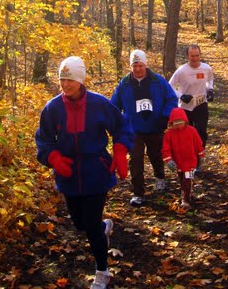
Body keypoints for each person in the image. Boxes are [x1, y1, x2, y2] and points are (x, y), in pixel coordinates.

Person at [35, 56, 133, 289]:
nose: (65, 84)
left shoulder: (99, 104)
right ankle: (103, 227)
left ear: (80, 80)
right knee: (80, 224)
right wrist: (52, 157)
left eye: (70, 79)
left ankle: (102, 271)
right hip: (68, 173)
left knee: (89, 223)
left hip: (95, 171)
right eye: (62, 79)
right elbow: (44, 140)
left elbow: (121, 125)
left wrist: (119, 150)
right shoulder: (53, 108)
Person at [111, 49, 178, 206]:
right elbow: (113, 105)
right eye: (134, 66)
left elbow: (171, 99)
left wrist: (165, 116)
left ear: (145, 65)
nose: (137, 69)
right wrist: (115, 123)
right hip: (134, 130)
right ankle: (138, 192)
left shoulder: (158, 81)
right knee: (136, 161)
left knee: (156, 155)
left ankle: (160, 177)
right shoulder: (124, 84)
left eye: (140, 65)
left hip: (155, 126)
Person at [168, 44, 214, 171]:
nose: (195, 58)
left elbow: (210, 80)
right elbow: (170, 86)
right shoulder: (182, 71)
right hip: (185, 108)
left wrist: (210, 90)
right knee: (185, 134)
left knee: (201, 133)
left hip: (201, 103)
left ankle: (199, 160)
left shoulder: (206, 68)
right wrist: (181, 96)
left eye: (197, 55)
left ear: (200, 55)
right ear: (187, 56)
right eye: (192, 56)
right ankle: (185, 161)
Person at [162, 107, 204, 209]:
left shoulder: (192, 131)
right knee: (182, 179)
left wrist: (201, 156)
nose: (178, 126)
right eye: (175, 124)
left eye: (180, 123)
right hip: (178, 162)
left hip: (190, 161)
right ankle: (187, 193)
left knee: (187, 179)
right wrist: (168, 160)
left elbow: (199, 144)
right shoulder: (169, 134)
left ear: (185, 121)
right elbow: (165, 149)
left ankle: (186, 199)